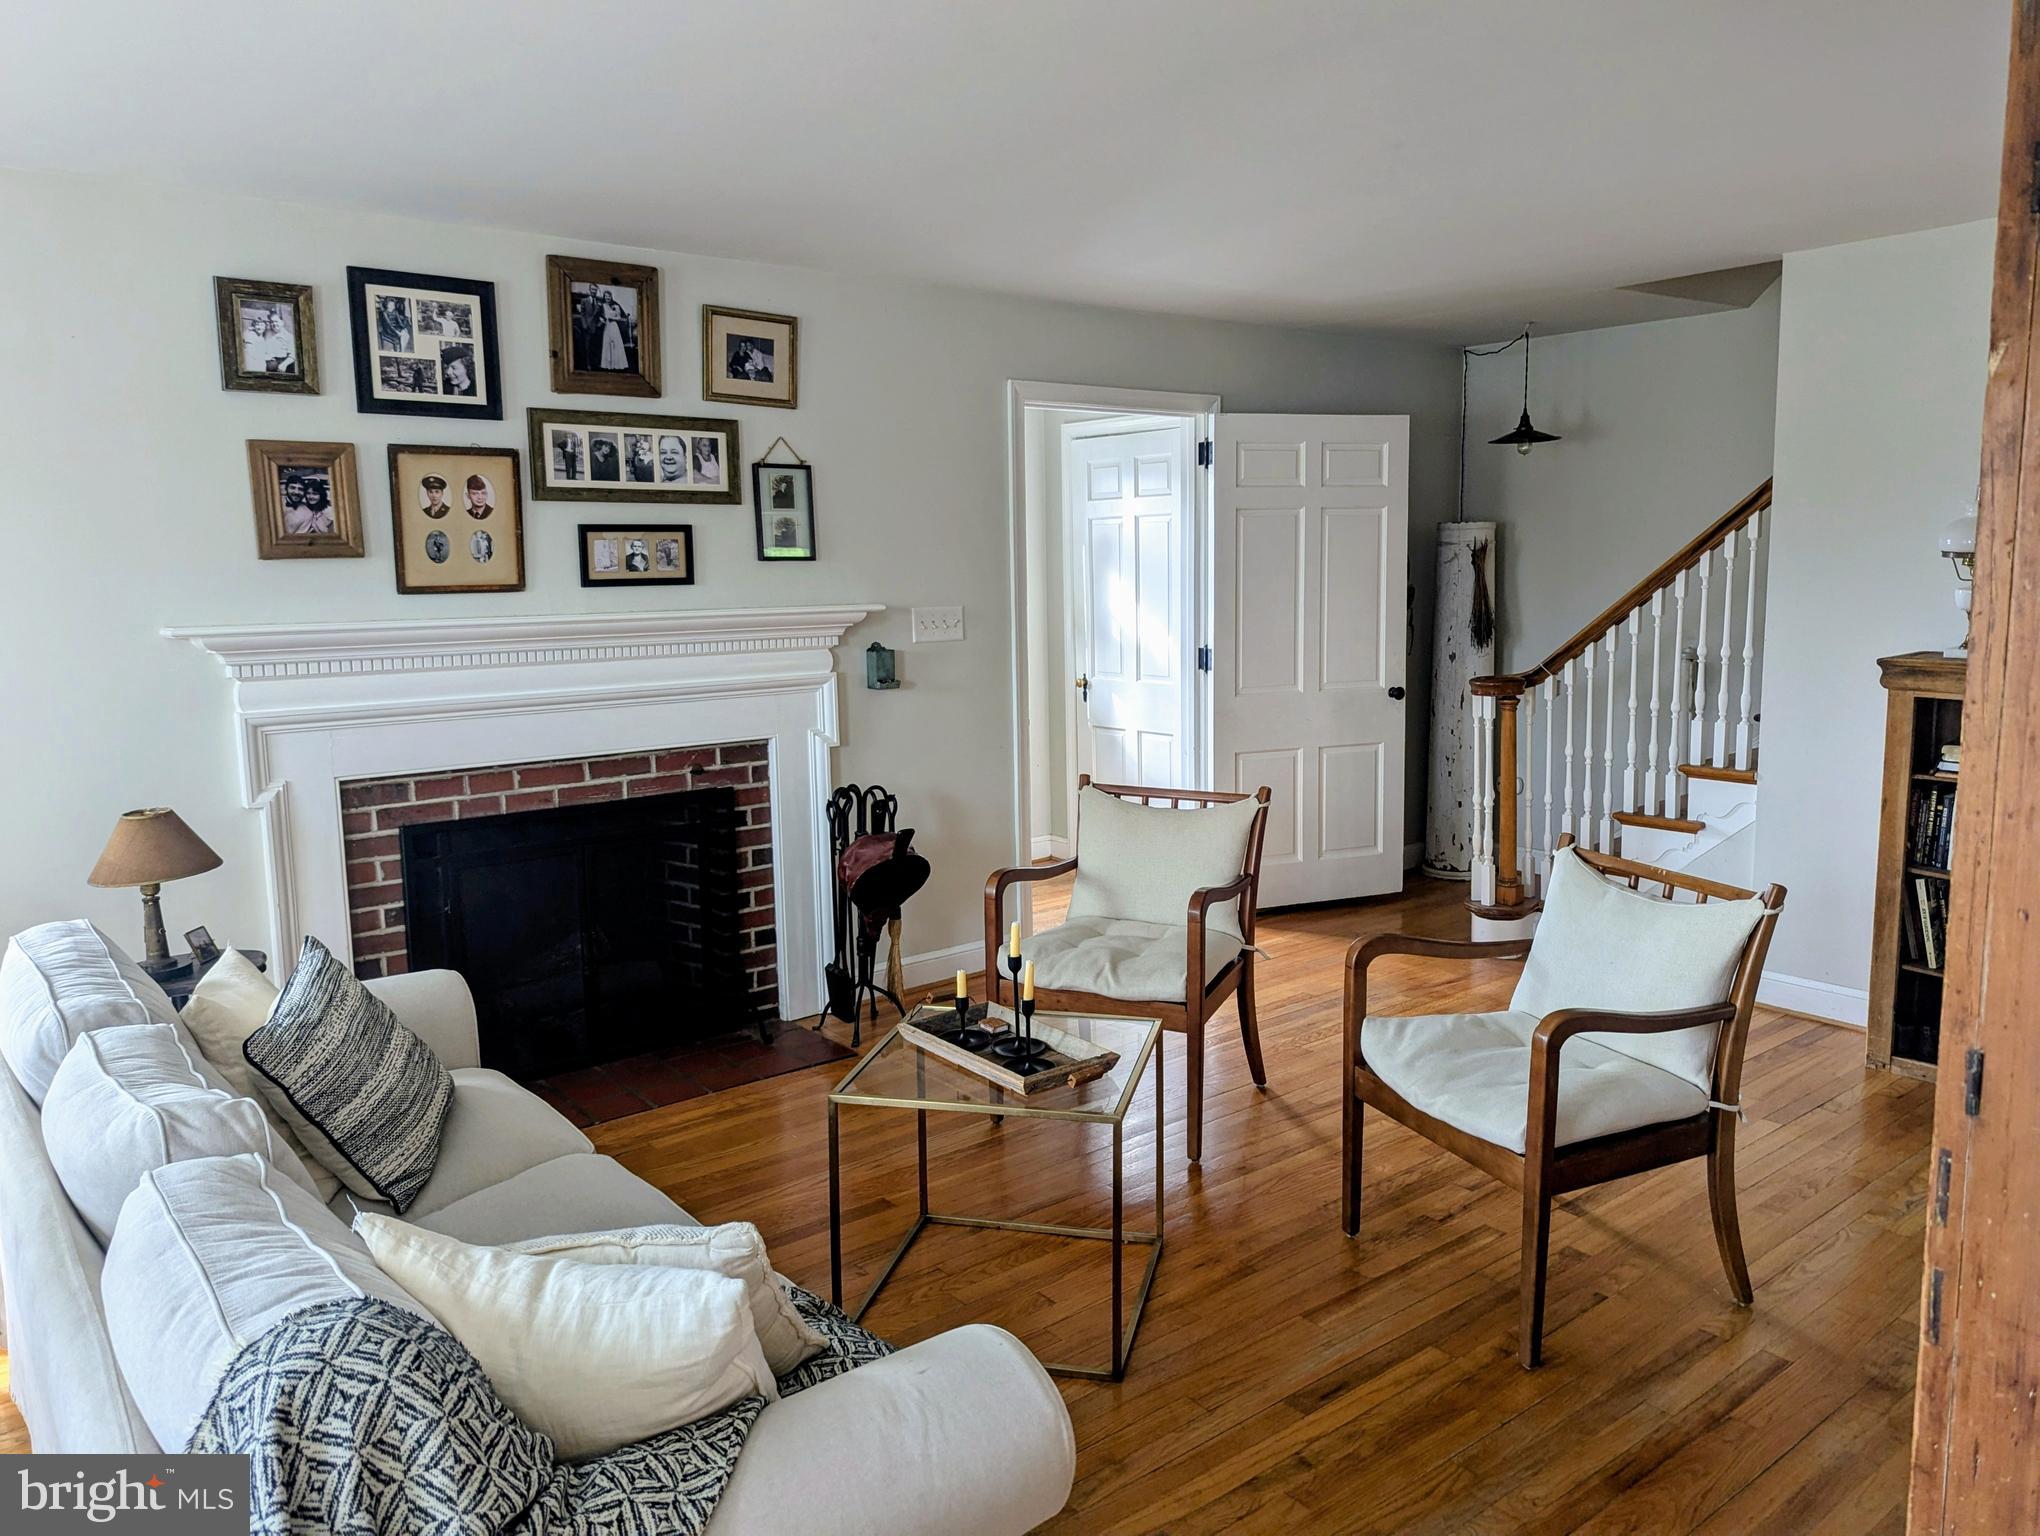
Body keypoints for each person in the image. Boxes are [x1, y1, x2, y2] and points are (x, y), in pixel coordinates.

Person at [597, 287, 629, 371]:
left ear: (611, 297)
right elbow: (600, 316)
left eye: (609, 296)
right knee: (607, 344)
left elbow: (620, 317)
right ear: (604, 297)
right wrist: (602, 320)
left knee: (616, 344)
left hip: (614, 326)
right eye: (606, 296)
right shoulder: (602, 306)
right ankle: (608, 365)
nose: (607, 298)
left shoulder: (615, 306)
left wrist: (613, 319)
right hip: (607, 326)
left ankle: (617, 365)